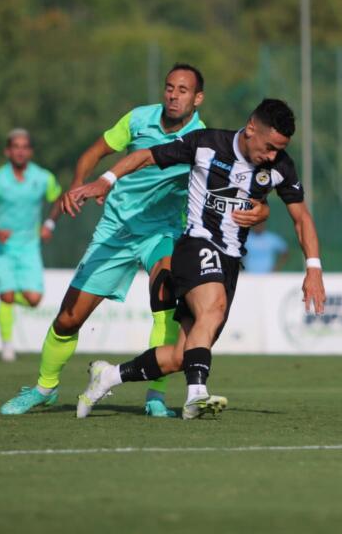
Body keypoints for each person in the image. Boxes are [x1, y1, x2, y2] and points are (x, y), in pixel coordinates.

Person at [0, 64, 269, 417]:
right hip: (116, 230)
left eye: (183, 90)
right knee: (68, 318)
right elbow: (93, 153)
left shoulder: (203, 139)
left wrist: (259, 211)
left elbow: (240, 183)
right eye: (170, 87)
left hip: (165, 233)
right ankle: (44, 388)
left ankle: (155, 397)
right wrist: (78, 185)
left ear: (198, 98)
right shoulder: (139, 119)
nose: (174, 95)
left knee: (166, 306)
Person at [68, 98, 326, 419]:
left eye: (279, 149)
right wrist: (106, 180)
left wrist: (313, 268)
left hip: (231, 261)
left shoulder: (280, 167)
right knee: (213, 307)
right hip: (195, 244)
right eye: (270, 146)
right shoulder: (206, 144)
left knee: (181, 356)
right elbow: (144, 156)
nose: (272, 156)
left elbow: (301, 218)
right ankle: (196, 395)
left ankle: (108, 376)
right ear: (250, 129)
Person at [0, 129, 62, 362]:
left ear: (30, 151)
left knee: (34, 299)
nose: (20, 151)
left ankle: (7, 301)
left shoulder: (43, 178)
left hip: (29, 245)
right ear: (7, 151)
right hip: (1, 246)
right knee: (7, 295)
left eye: (24, 147)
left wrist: (49, 224)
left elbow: (60, 199)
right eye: (16, 146)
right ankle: (7, 346)